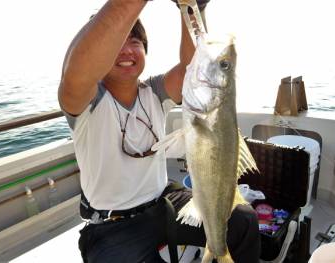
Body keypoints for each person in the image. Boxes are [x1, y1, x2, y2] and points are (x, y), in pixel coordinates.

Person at [58, 0, 260, 262]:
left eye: (135, 42)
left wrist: (192, 7)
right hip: (112, 226)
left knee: (244, 220)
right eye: (117, 42)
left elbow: (195, 69)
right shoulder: (85, 102)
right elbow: (77, 72)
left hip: (164, 201)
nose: (127, 51)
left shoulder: (154, 91)